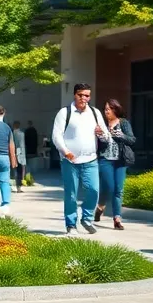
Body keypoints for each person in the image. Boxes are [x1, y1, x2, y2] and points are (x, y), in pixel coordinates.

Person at [52, 83, 110, 234]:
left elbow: (106, 136)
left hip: (91, 159)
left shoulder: (95, 113)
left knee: (93, 190)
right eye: (80, 95)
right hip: (70, 161)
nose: (84, 98)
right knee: (71, 194)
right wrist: (65, 152)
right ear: (74, 95)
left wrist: (101, 134)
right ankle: (71, 225)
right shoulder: (64, 113)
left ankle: (87, 218)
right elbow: (56, 136)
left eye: (87, 95)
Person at [95, 99, 136, 230]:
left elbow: (132, 140)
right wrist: (99, 135)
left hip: (120, 161)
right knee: (109, 188)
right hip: (105, 160)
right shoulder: (101, 124)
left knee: (118, 190)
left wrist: (121, 135)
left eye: (109, 109)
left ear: (115, 110)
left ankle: (117, 218)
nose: (107, 111)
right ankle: (101, 207)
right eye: (105, 109)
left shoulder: (123, 123)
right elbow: (96, 144)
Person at [11, 120, 27, 192]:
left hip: (12, 153)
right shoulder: (21, 134)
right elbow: (21, 146)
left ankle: (16, 185)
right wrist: (22, 156)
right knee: (19, 171)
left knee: (14, 170)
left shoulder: (11, 134)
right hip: (19, 154)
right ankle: (19, 187)